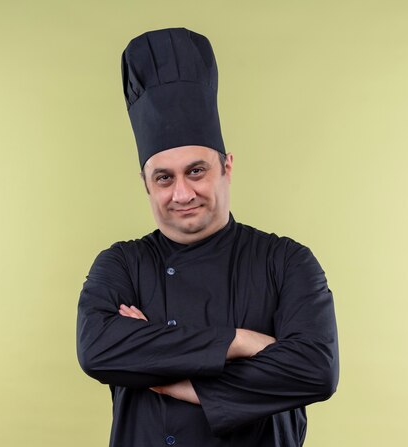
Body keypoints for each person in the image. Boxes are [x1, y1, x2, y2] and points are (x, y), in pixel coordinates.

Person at [77, 27, 339, 447]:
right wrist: (241, 341)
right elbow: (97, 350)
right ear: (146, 183)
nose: (182, 193)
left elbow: (315, 370)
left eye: (196, 170)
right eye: (164, 177)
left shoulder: (286, 261)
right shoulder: (121, 264)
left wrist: (174, 378)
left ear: (226, 167)